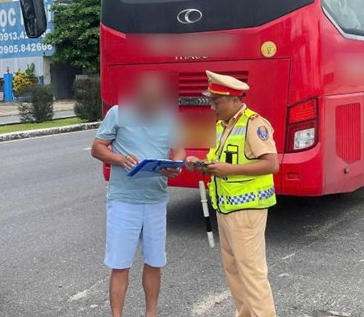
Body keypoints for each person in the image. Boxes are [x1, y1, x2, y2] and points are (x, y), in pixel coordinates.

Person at [90, 73, 185, 317]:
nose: (151, 105)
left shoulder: (169, 116)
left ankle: (151, 313)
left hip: (156, 199)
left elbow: (179, 150)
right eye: (147, 99)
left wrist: (176, 166)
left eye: (156, 100)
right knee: (120, 264)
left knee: (154, 262)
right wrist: (120, 159)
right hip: (124, 201)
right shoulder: (118, 113)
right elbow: (97, 148)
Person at [186, 70, 279, 317]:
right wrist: (200, 164)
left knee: (252, 273)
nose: (212, 107)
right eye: (211, 101)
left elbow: (271, 164)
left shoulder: (254, 124)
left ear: (235, 100)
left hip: (247, 210)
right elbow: (217, 160)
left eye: (216, 102)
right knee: (234, 270)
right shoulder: (222, 126)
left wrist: (229, 170)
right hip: (225, 208)